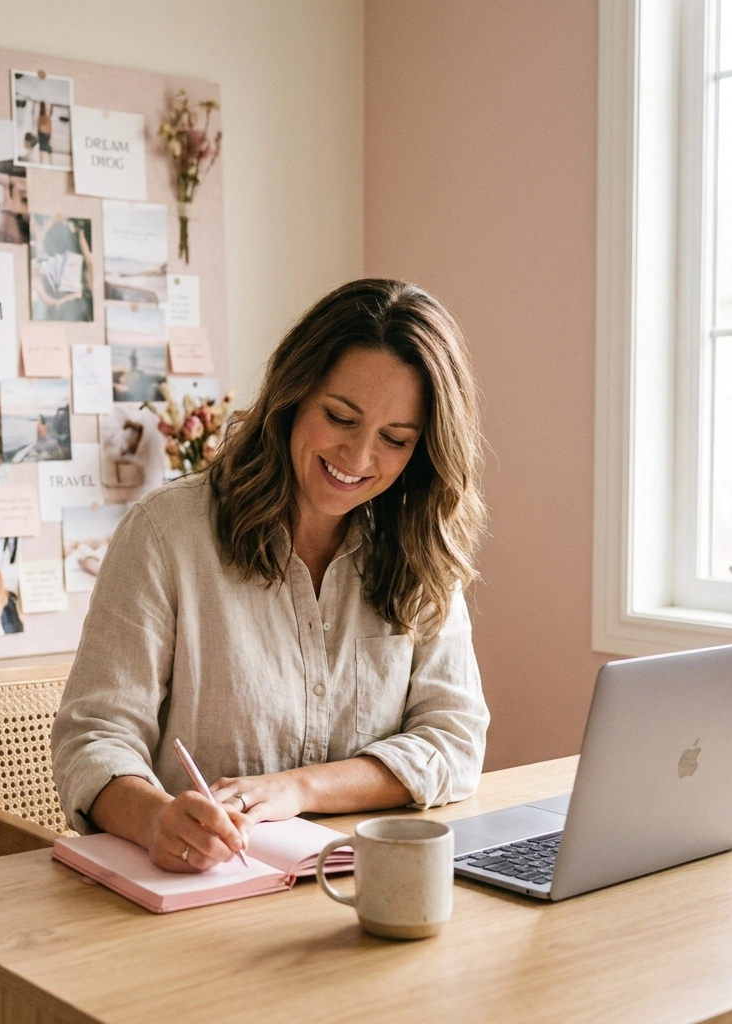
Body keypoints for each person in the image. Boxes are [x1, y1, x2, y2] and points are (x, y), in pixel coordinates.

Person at [52, 279, 489, 873]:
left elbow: (453, 739)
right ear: (293, 394)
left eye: (394, 439)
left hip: (368, 882)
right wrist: (155, 818)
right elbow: (93, 737)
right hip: (202, 893)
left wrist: (299, 788)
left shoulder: (418, 547)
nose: (358, 459)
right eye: (340, 417)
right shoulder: (167, 535)